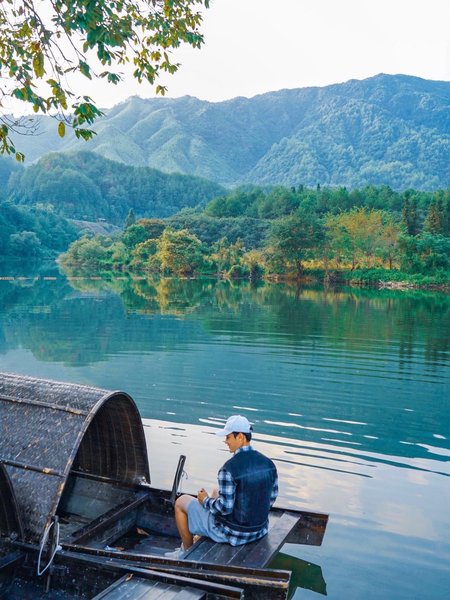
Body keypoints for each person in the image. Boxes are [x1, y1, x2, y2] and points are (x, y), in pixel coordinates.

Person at [165, 415, 278, 559]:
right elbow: (271, 498)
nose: (225, 441)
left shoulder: (228, 469)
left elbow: (225, 508)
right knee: (216, 491)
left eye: (228, 437)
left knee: (181, 502)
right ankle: (198, 537)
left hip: (233, 534)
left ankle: (185, 553)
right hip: (259, 530)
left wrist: (204, 500)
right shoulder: (269, 464)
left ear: (241, 437)